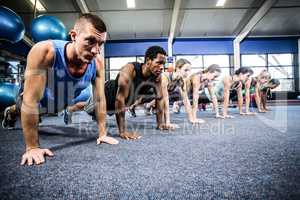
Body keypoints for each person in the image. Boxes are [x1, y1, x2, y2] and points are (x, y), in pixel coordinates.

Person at [2, 14, 118, 166]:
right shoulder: (45, 51)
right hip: (33, 102)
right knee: (23, 105)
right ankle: (10, 112)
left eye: (100, 44)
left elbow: (100, 99)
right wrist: (32, 147)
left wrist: (103, 133)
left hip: (59, 104)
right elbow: (30, 100)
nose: (96, 50)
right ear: (74, 36)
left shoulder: (96, 64)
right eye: (90, 41)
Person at [85, 45, 176, 140]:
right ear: (148, 61)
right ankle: (70, 107)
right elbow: (119, 99)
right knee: (85, 108)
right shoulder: (129, 70)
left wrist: (160, 124)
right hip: (105, 95)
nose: (162, 67)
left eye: (163, 64)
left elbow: (160, 98)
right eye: (159, 63)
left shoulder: (156, 77)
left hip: (117, 105)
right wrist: (122, 131)